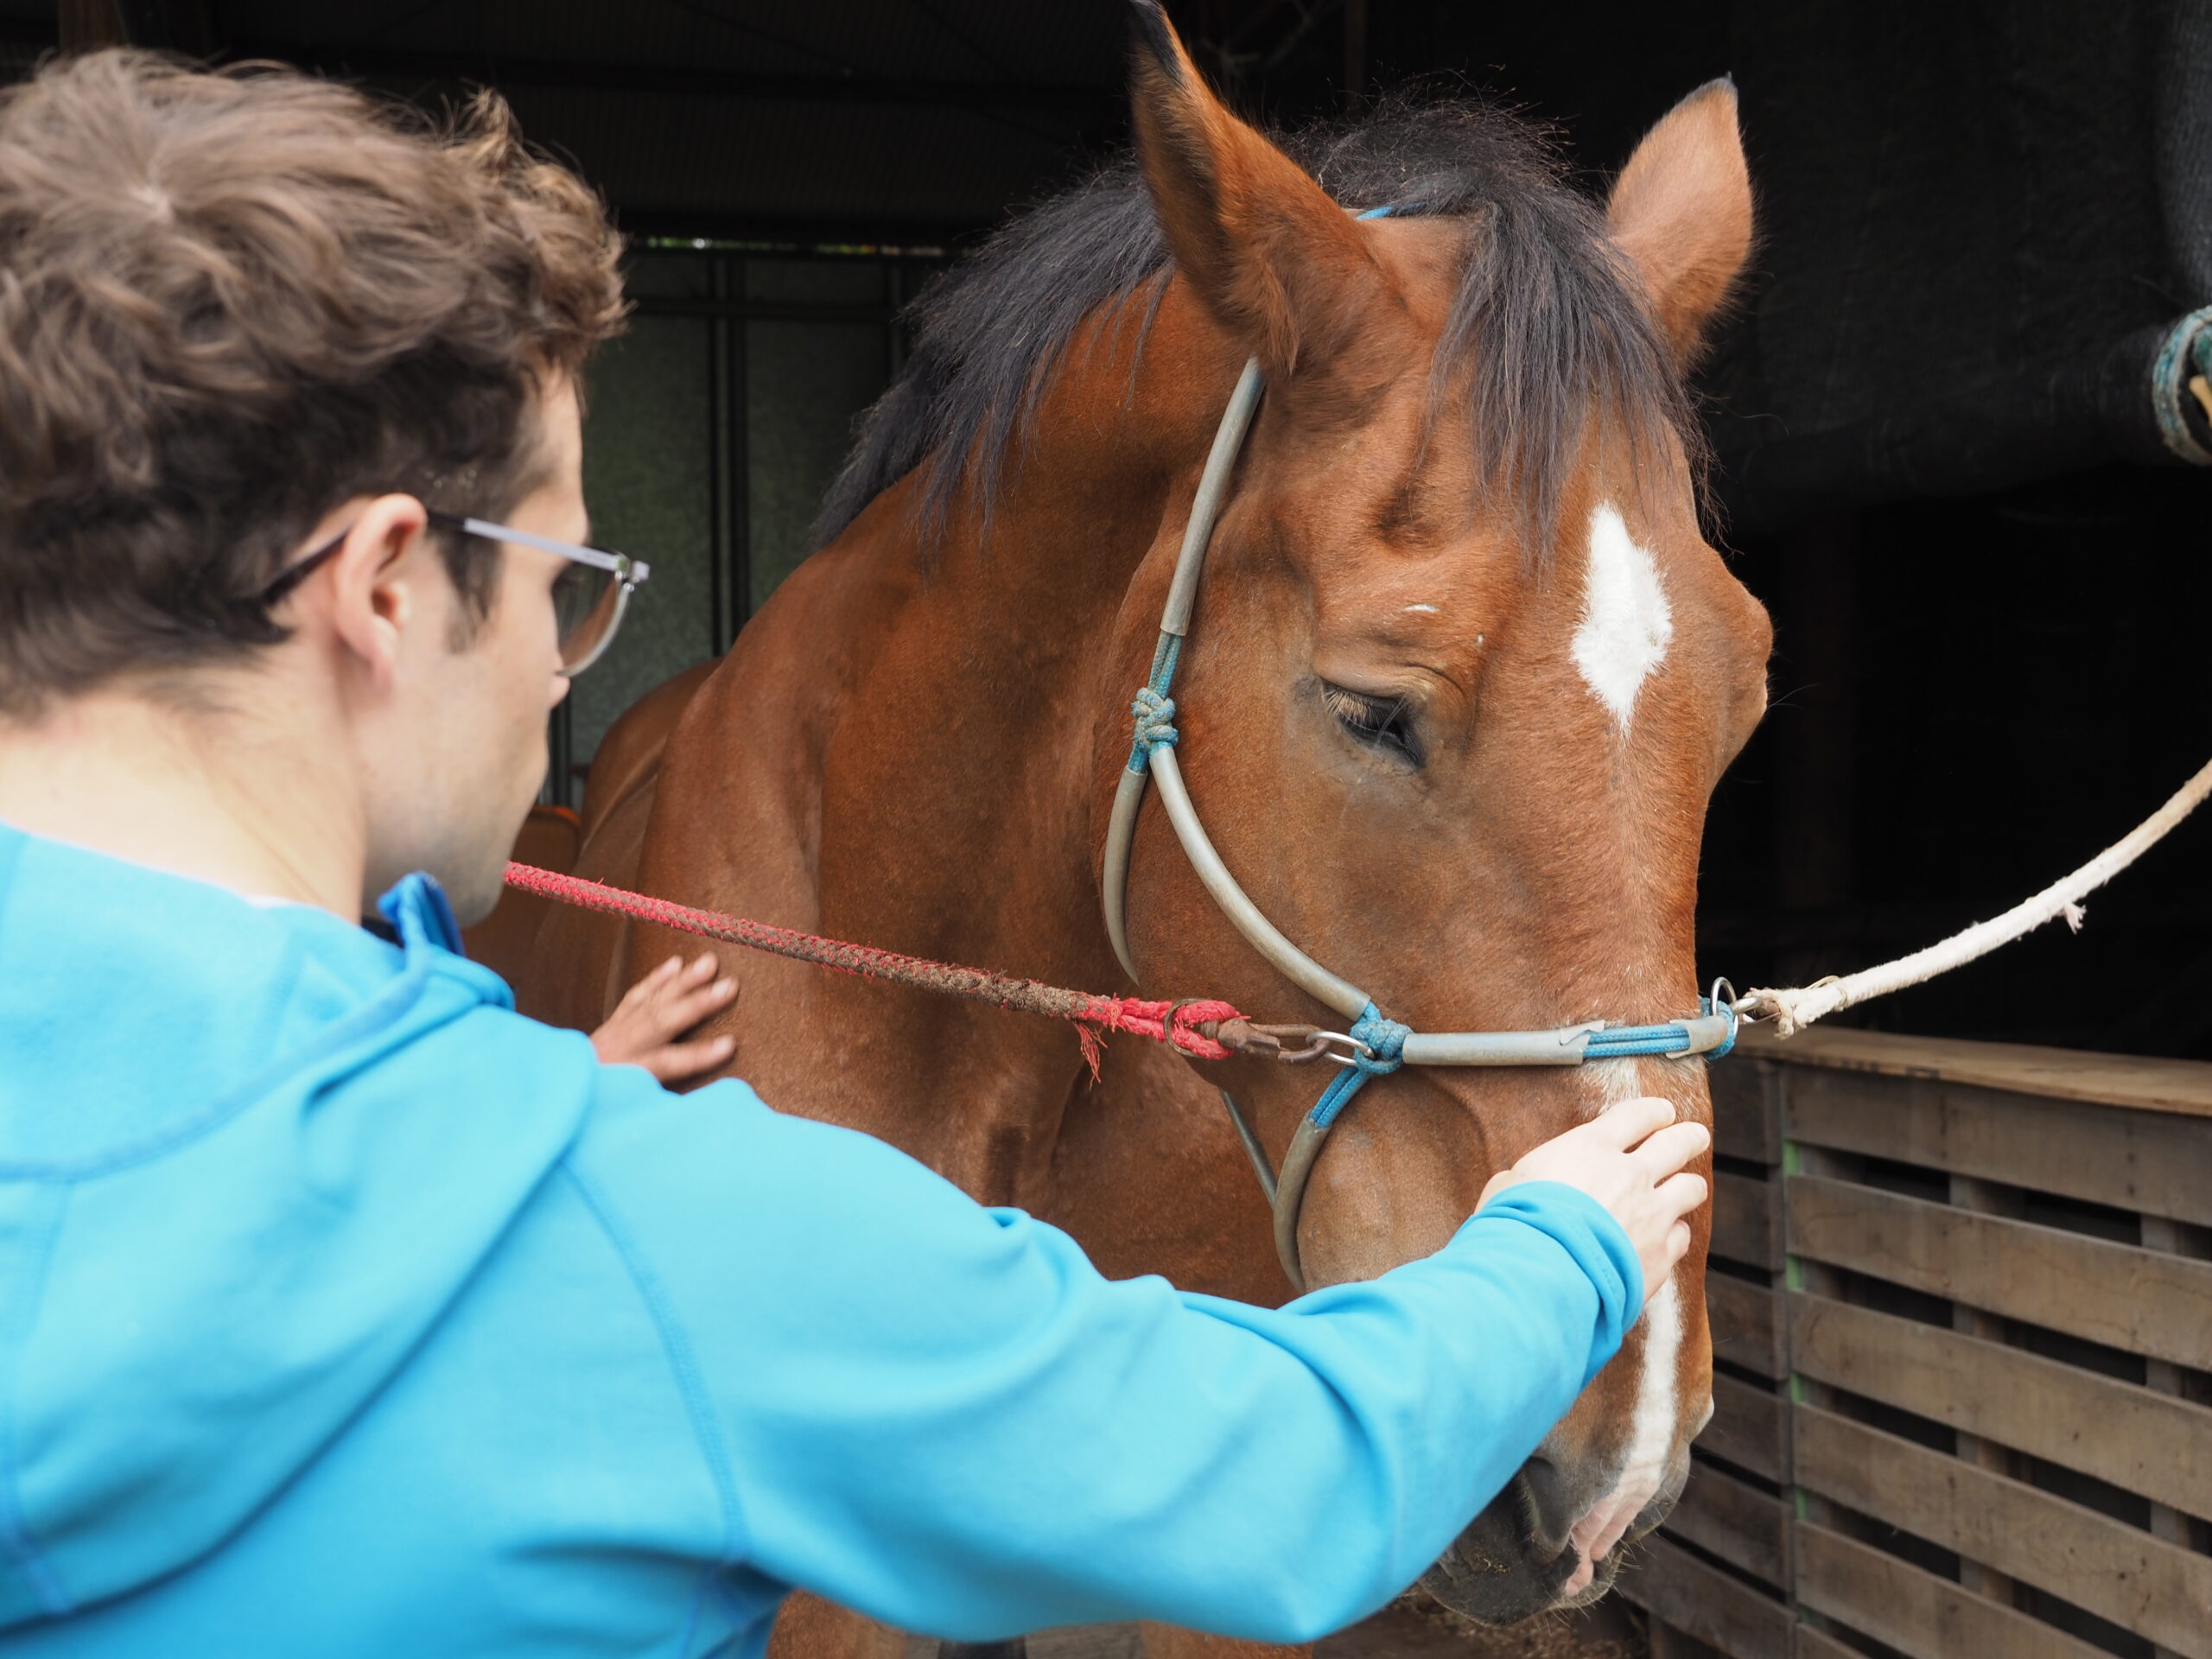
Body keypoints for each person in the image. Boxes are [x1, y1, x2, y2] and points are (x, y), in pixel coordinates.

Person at [0, 51, 1710, 1659]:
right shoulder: (644, 1243)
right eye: (562, 589)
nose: (559, 671)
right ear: (383, 591)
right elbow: (1277, 1486)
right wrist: (1560, 1243)